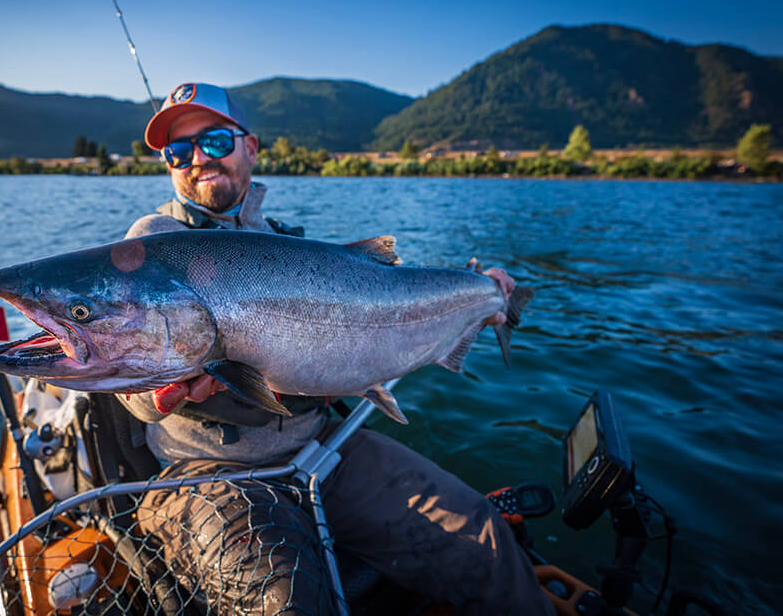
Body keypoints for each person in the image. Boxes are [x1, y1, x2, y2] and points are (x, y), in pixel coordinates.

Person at [114, 82, 554, 615]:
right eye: (178, 151)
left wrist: (479, 296)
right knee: (285, 603)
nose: (197, 161)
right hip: (206, 472)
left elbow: (387, 320)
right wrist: (157, 393)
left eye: (213, 142)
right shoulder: (154, 245)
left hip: (327, 445)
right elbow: (128, 385)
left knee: (483, 536)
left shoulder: (297, 249)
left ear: (250, 147)